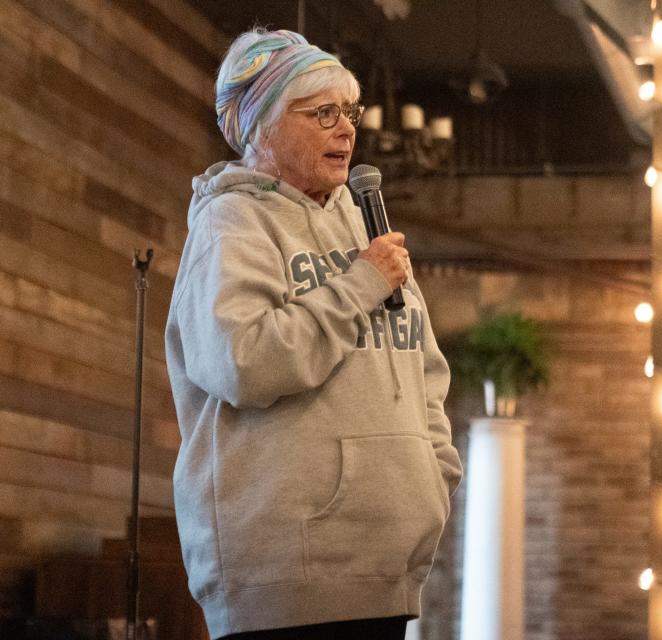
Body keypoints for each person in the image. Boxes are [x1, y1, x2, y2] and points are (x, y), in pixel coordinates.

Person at [164, 28, 462, 640]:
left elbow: (424, 373)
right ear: (261, 128)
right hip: (284, 580)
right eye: (322, 112)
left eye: (348, 112)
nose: (347, 129)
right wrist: (358, 286)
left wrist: (430, 480)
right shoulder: (232, 223)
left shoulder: (366, 229)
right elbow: (242, 362)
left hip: (384, 567)